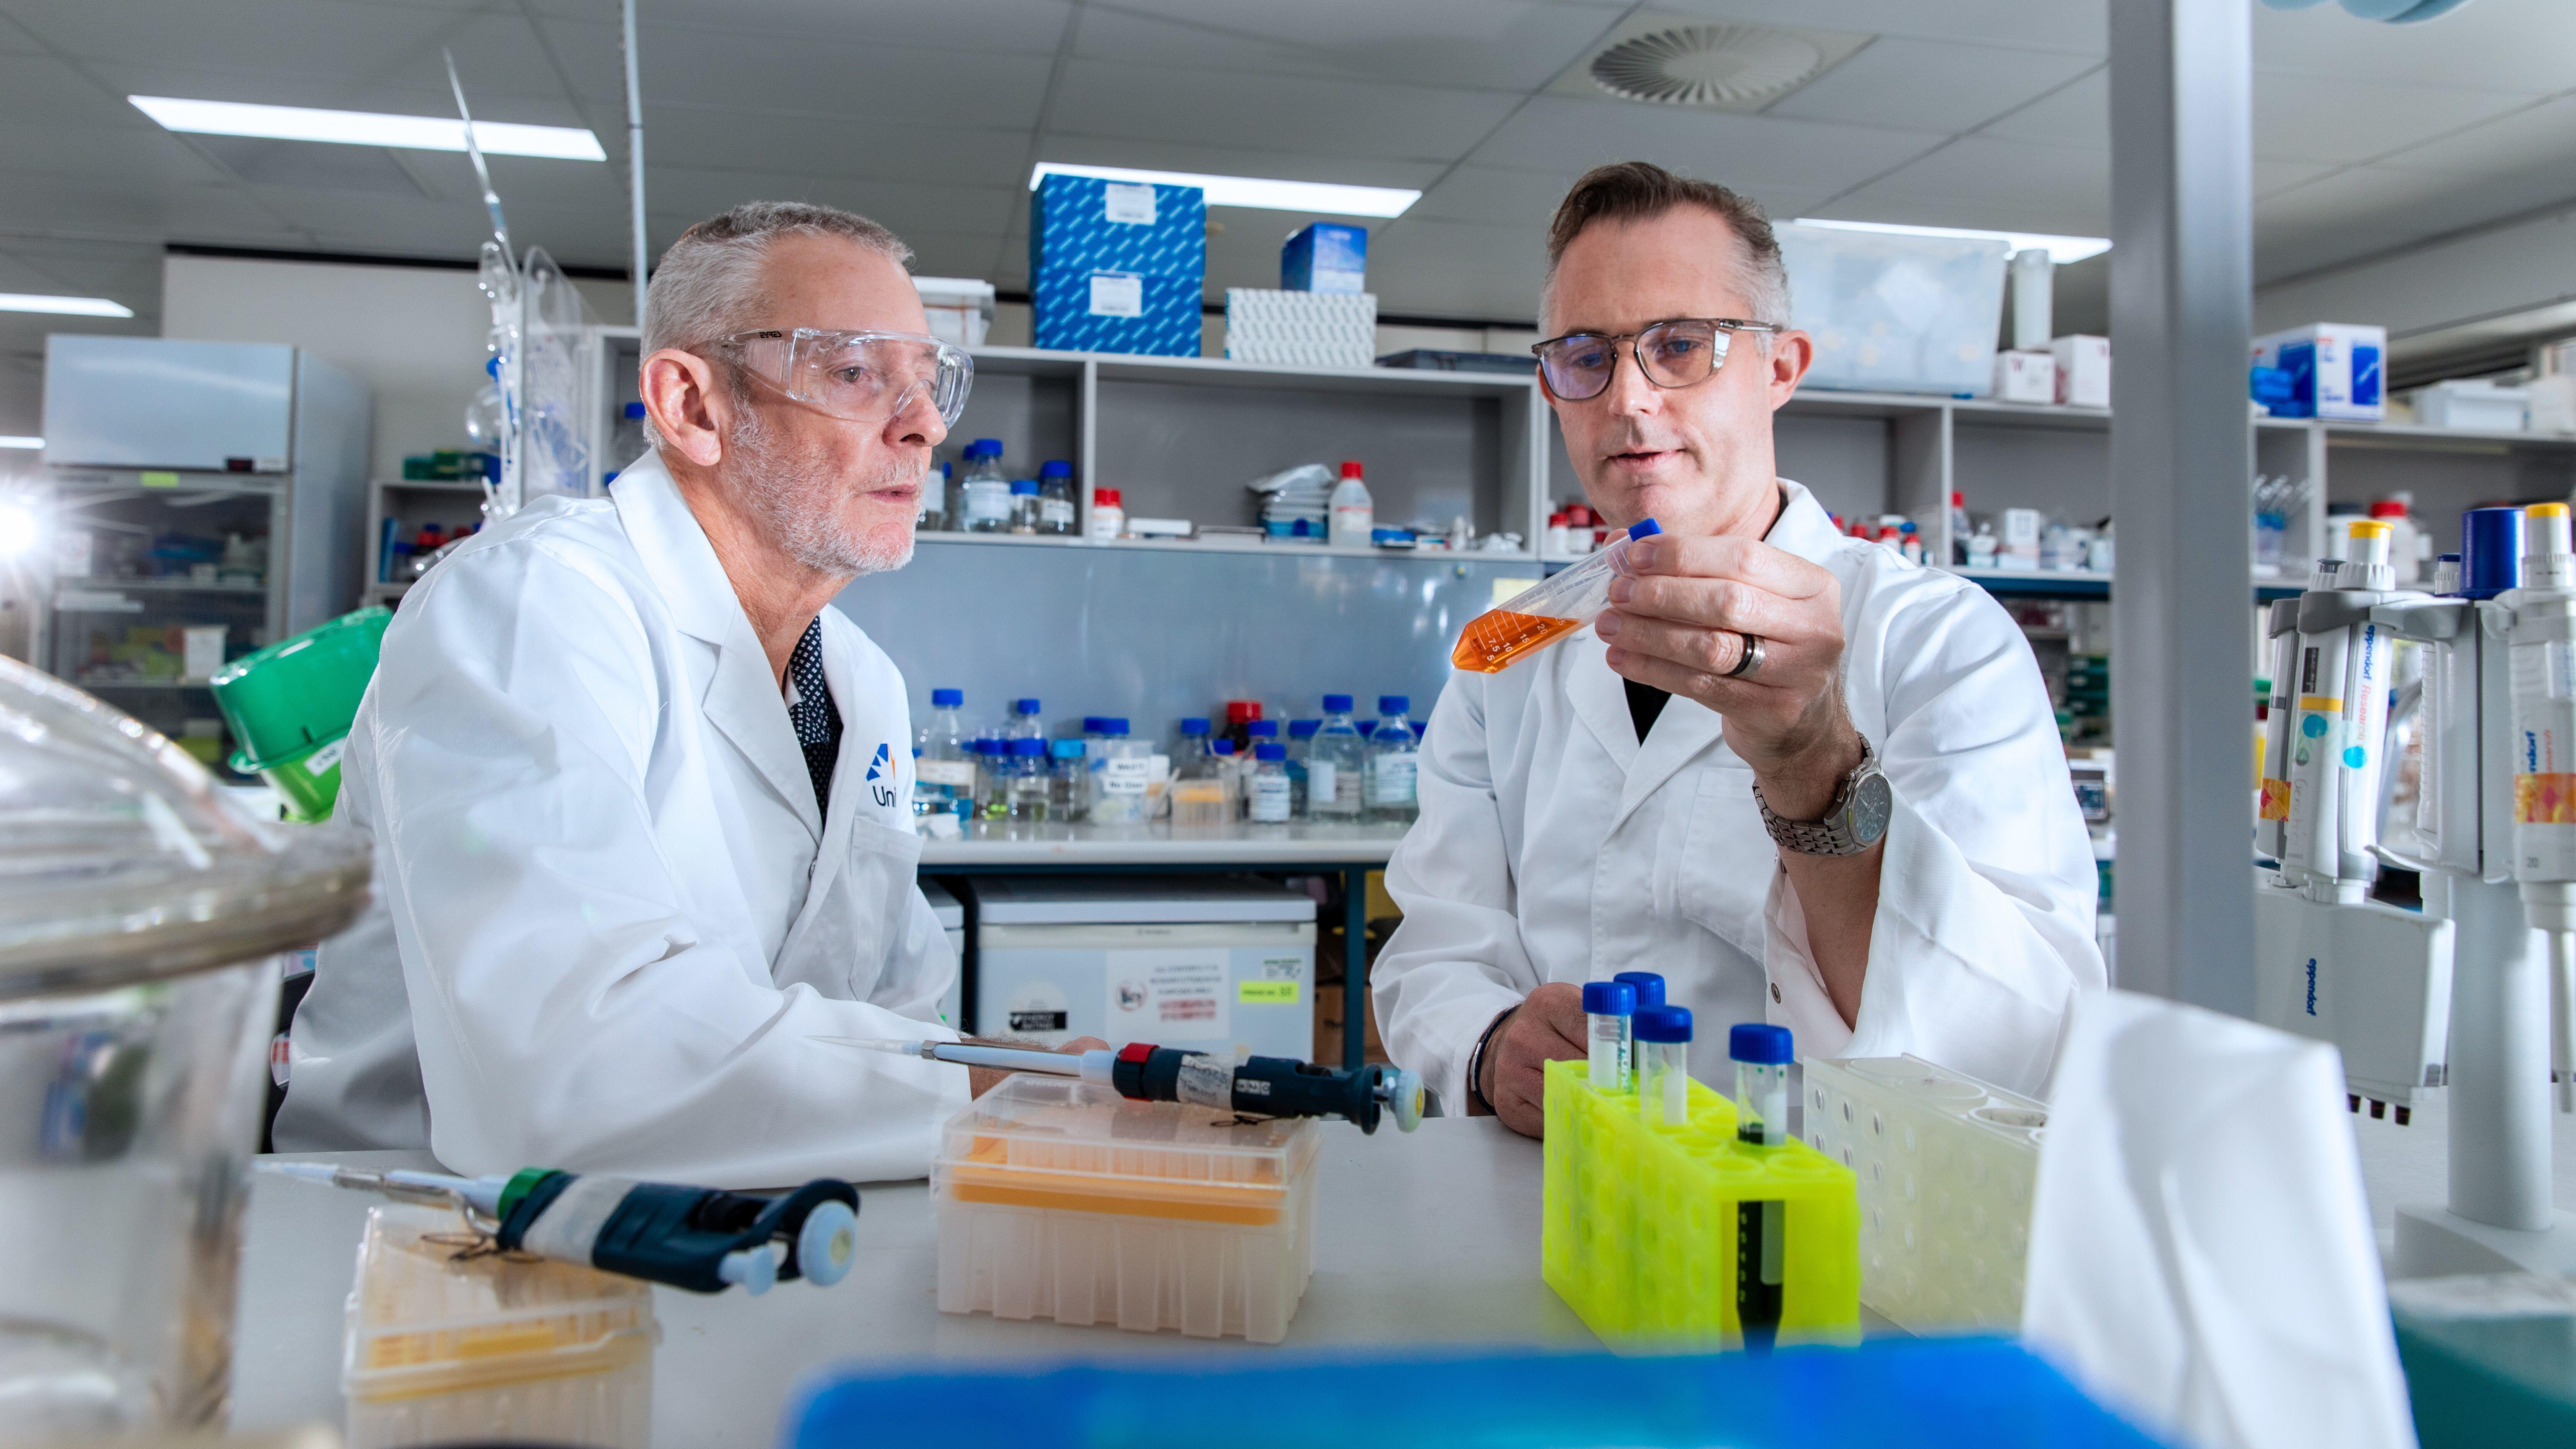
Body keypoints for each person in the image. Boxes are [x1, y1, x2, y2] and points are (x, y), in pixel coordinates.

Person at [278, 202, 1077, 1184]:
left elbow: (889, 1012)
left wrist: (1010, 1086)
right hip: (435, 1248)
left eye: (929, 384)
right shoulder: (534, 606)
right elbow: (563, 1075)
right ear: (694, 406)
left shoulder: (860, 682)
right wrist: (998, 1092)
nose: (921, 427)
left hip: (755, 1224)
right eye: (857, 374)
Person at [1372, 163, 2103, 1135]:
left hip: (1831, 1237)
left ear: (1782, 367)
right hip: (1554, 1214)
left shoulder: (1938, 641)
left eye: (1680, 346)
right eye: (1586, 355)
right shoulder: (1510, 655)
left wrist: (1814, 765)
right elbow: (1435, 948)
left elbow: (2019, 1048)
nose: (1629, 399)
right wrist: (1492, 1043)